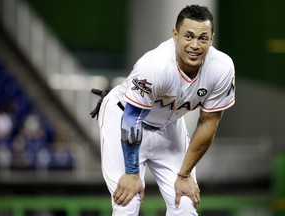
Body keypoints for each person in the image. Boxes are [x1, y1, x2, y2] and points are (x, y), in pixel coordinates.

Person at [91, 4, 235, 215]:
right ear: (175, 35)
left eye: (202, 38)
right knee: (127, 203)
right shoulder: (155, 66)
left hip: (168, 125)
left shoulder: (221, 68)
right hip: (123, 119)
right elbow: (132, 118)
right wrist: (131, 174)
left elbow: (209, 122)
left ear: (211, 38)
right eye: (188, 36)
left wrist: (184, 176)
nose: (195, 45)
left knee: (185, 203)